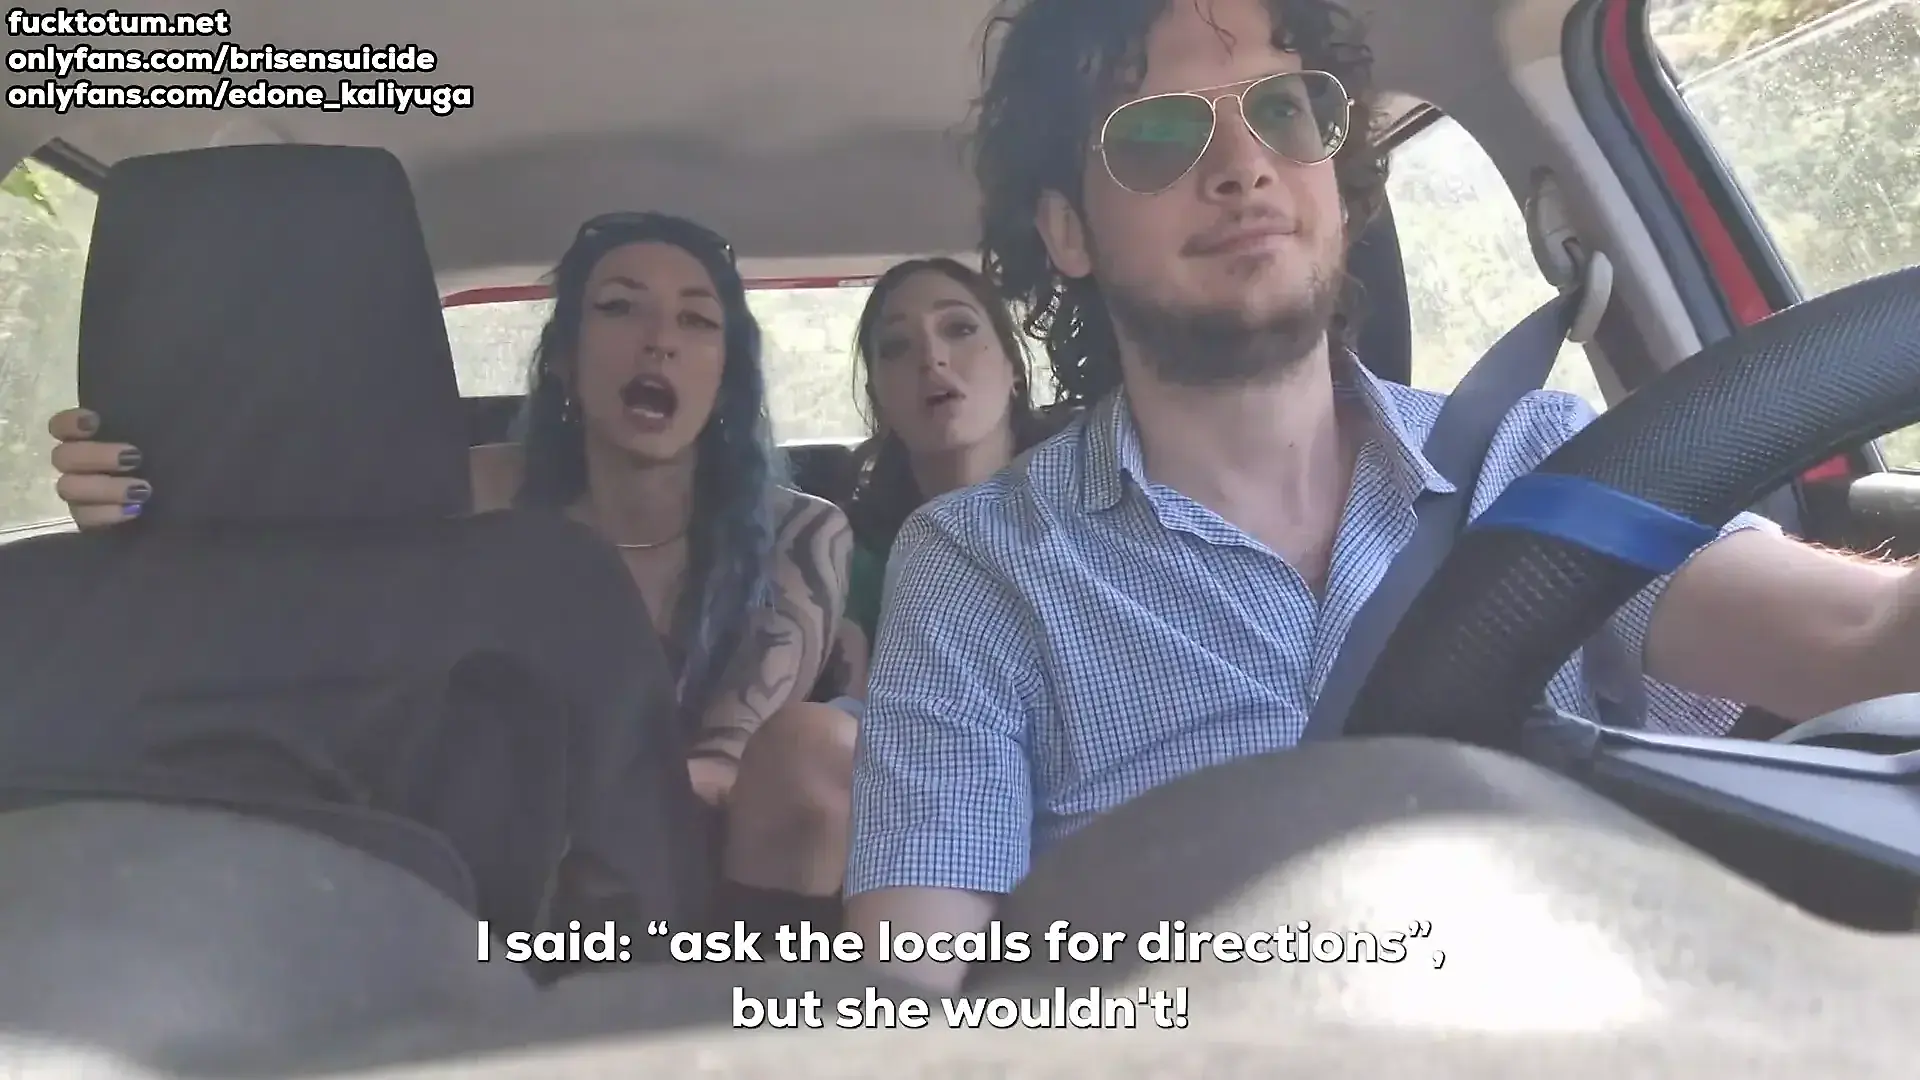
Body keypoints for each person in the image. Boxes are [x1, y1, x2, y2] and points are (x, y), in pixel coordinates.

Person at [844, 0, 1920, 992]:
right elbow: (921, 984)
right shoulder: (981, 563)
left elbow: (1859, 636)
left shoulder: (1540, 462)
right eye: (1159, 134)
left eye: (1283, 108)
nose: (1244, 165)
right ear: (1069, 231)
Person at [46, 210, 859, 925]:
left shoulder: (802, 532)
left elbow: (723, 762)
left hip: (713, 875)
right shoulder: (456, 493)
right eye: (619, 307)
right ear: (564, 359)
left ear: (726, 377)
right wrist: (157, 513)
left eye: (698, 320)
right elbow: (289, 589)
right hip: (481, 870)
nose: (660, 339)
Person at [835, 257, 1057, 680]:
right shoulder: (851, 558)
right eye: (897, 346)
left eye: (959, 329)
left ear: (1012, 367)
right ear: (877, 397)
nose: (931, 359)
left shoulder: (1093, 506)